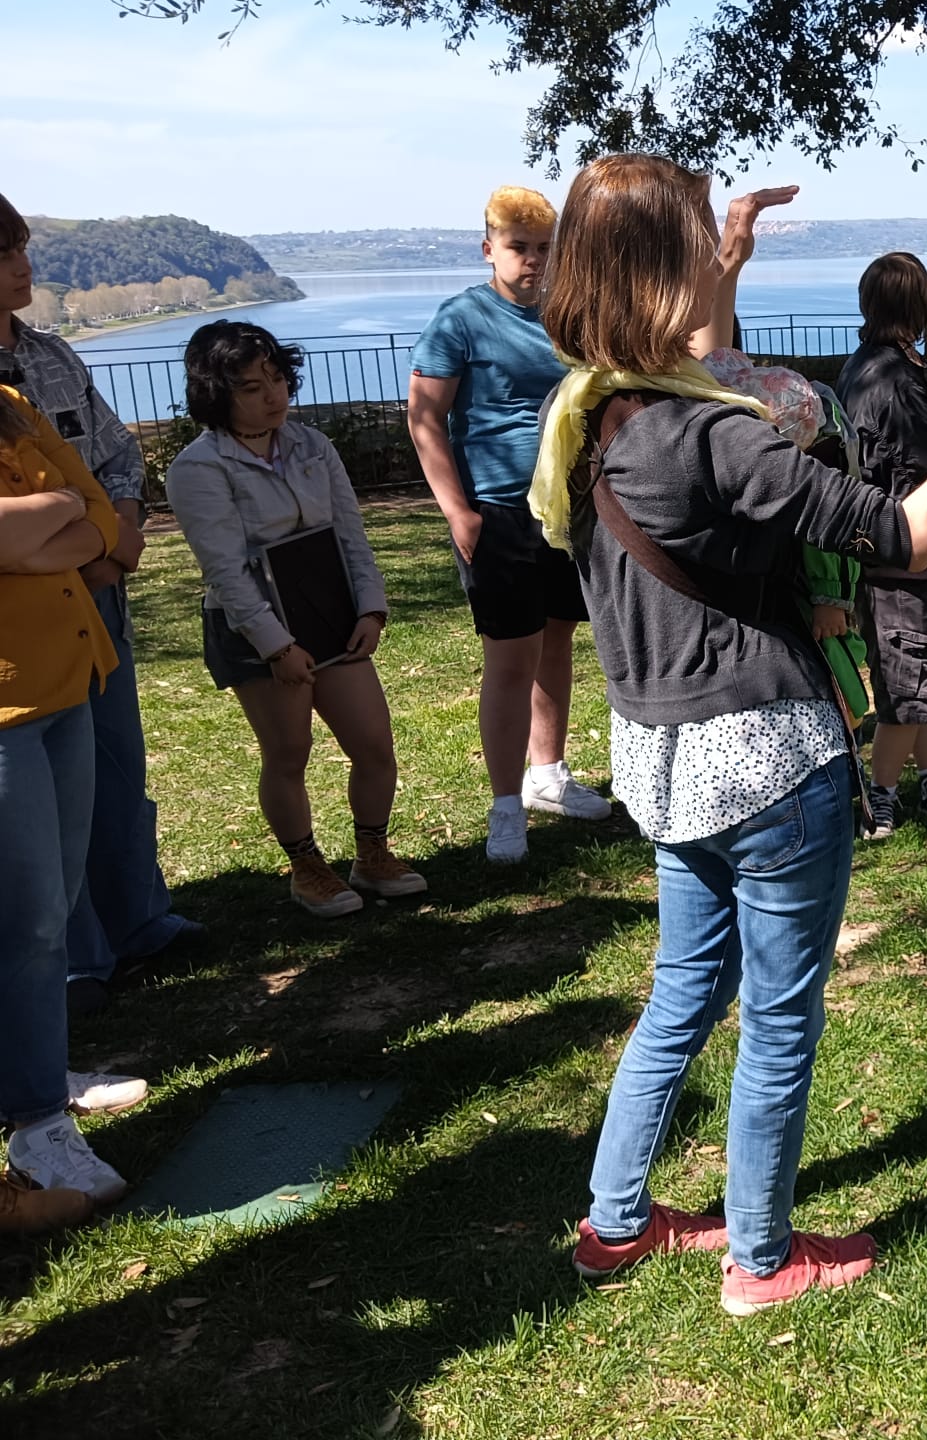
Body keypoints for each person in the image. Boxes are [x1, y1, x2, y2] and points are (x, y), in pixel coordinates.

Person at [526, 153, 927, 1313]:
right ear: (660, 273)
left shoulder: (581, 419)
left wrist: (727, 261)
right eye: (696, 246)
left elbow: (694, 379)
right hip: (769, 764)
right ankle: (762, 1258)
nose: (710, 261)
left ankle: (614, 1223)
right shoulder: (716, 437)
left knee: (683, 992)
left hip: (662, 766)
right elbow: (906, 534)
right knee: (779, 1019)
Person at [0, 193, 200, 1019]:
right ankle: (75, 964)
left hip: (97, 596)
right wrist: (89, 536)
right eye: (5, 253)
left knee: (113, 766)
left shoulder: (51, 357)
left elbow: (115, 458)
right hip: (23, 626)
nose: (24, 264)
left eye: (21, 246)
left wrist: (117, 541)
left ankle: (139, 919)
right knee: (36, 806)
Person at [163, 323, 425, 917]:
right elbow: (226, 571)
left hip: (330, 615)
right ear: (217, 393)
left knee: (373, 743)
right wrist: (276, 647)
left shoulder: (312, 445)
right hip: (254, 630)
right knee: (289, 752)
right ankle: (307, 869)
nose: (273, 396)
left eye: (277, 379)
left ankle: (373, 855)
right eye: (252, 387)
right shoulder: (198, 468)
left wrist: (371, 607)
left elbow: (350, 534)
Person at [409, 186, 610, 866]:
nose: (533, 260)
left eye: (545, 248)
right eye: (519, 247)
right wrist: (457, 510)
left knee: (556, 642)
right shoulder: (460, 319)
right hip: (496, 512)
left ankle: (547, 775)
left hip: (565, 510)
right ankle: (504, 806)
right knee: (510, 658)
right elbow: (424, 418)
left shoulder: (567, 316)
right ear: (488, 248)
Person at [0, 380, 149, 1211]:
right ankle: (35, 1122)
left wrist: (43, 530)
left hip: (66, 683)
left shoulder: (12, 400)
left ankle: (37, 1082)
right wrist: (58, 518)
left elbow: (102, 515)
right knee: (24, 919)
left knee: (46, 915)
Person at [837, 252, 927, 837]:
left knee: (924, 671)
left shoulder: (860, 368)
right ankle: (883, 795)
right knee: (907, 678)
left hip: (877, 546)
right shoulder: (897, 380)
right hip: (904, 550)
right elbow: (923, 468)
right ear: (921, 308)